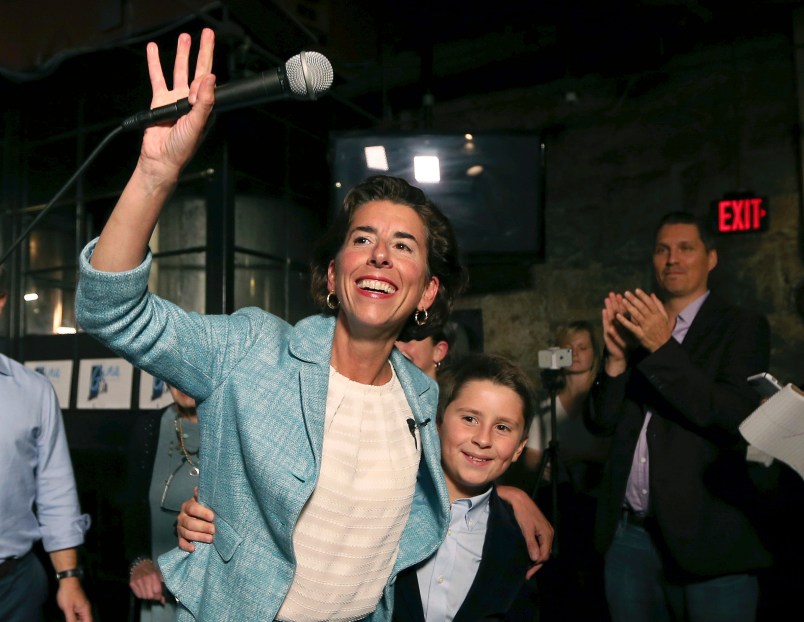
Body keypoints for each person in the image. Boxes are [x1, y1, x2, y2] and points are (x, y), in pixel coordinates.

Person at [74, 28, 551, 622]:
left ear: (427, 290)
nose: (380, 255)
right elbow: (110, 311)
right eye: (362, 239)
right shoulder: (252, 349)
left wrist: (509, 499)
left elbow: (452, 481)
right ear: (332, 276)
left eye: (403, 246)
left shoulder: (421, 396)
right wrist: (155, 173)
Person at [586, 210, 772, 622]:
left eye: (686, 248)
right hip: (630, 537)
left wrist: (662, 347)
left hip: (707, 538)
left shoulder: (741, 326)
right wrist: (615, 362)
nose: (672, 259)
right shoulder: (637, 327)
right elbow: (601, 423)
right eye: (662, 250)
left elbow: (732, 415)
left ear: (711, 258)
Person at [393, 352, 539, 621]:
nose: (483, 439)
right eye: (470, 419)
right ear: (438, 424)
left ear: (519, 448)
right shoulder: (389, 502)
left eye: (503, 427)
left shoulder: (521, 543)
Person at [0, 265, 93, 622]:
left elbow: (56, 491)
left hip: (15, 588)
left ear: (2, 302)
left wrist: (69, 578)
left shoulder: (34, 391)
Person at [523, 320, 610, 622]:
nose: (575, 354)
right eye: (568, 348)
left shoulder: (605, 403)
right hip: (557, 500)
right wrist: (543, 467)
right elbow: (531, 456)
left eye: (582, 348)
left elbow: (614, 450)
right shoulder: (547, 405)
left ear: (594, 352)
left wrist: (576, 456)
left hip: (594, 499)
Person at [126, 384, 199, 621]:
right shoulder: (149, 427)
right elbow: (132, 506)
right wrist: (139, 562)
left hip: (214, 596)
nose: (182, 381)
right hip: (159, 597)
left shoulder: (235, 428)